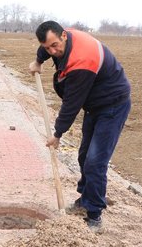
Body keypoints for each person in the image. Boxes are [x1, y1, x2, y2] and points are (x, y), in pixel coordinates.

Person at [28, 21, 131, 232]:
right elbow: (47, 46)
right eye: (48, 48)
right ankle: (86, 198)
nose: (53, 51)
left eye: (55, 45)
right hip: (95, 105)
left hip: (113, 105)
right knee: (84, 156)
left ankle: (94, 215)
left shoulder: (82, 60)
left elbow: (71, 104)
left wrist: (57, 134)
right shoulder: (61, 40)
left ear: (64, 35)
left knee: (95, 161)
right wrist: (39, 60)